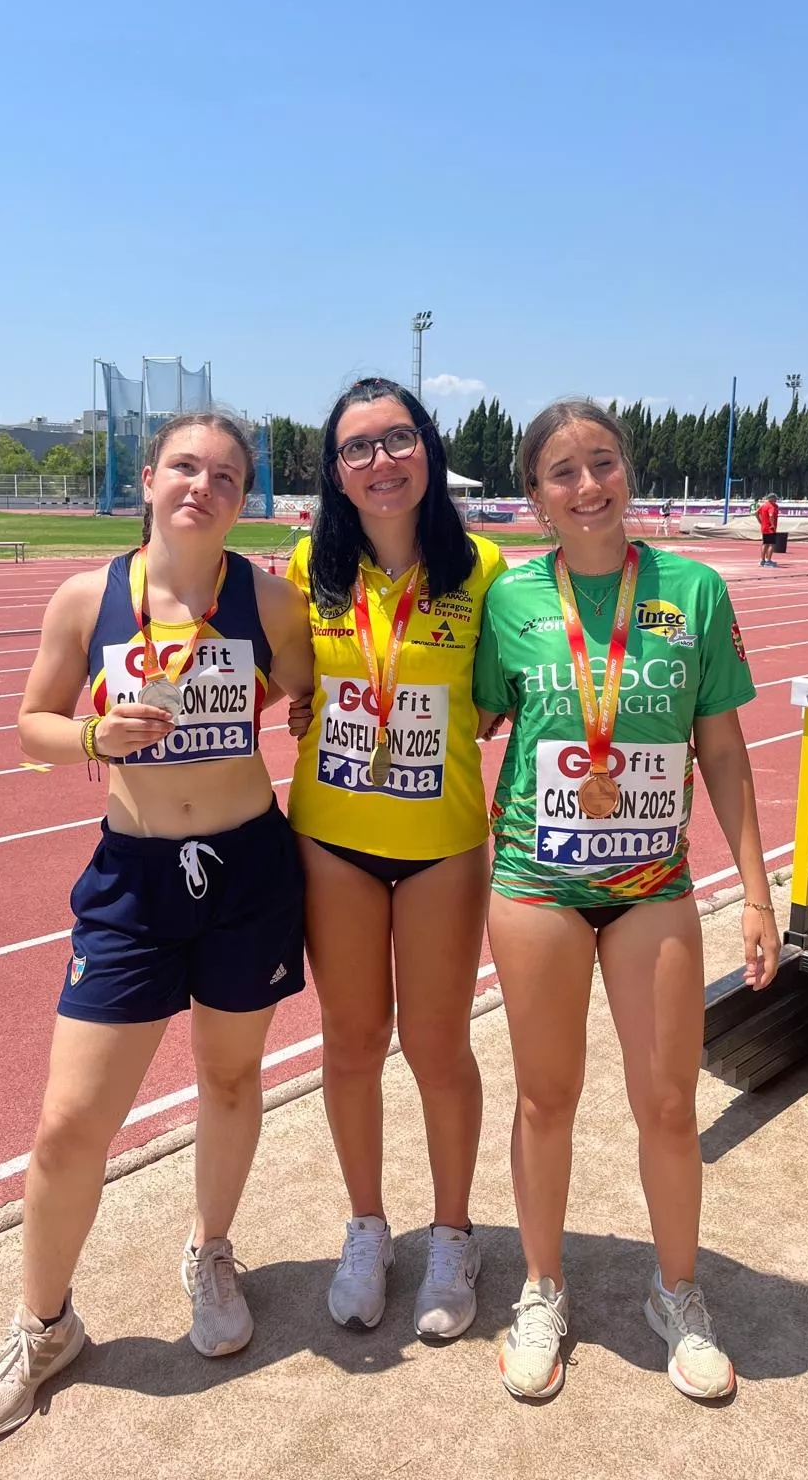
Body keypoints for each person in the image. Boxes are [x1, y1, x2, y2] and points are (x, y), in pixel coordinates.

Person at [0, 412, 315, 1440]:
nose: (202, 486)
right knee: (71, 1123)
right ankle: (43, 1324)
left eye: (226, 474)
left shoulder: (268, 598)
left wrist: (295, 708)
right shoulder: (89, 598)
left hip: (248, 869)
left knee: (233, 1080)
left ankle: (211, 1250)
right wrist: (87, 733)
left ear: (243, 496)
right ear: (150, 478)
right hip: (133, 884)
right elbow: (29, 729)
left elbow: (310, 687)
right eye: (185, 468)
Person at [474, 397, 780, 1403]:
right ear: (535, 497)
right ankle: (542, 1288)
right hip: (536, 882)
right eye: (563, 472)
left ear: (628, 472)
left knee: (666, 1101)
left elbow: (725, 752)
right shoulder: (513, 602)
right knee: (546, 1096)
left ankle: (677, 1292)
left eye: (602, 462)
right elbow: (466, 710)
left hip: (654, 884)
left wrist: (756, 894)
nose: (588, 484)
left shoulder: (690, 591)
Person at [285, 377, 506, 1342]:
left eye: (397, 440)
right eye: (358, 449)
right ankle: (368, 1228)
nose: (381, 462)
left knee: (437, 1047)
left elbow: (504, 695)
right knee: (351, 1040)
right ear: (335, 473)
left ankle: (453, 1233)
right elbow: (271, 676)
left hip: (442, 847)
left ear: (429, 449)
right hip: (331, 840)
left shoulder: (487, 568)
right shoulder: (303, 570)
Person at [756, 492, 779, 566]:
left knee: (765, 543)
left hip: (764, 527)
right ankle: (768, 560)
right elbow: (771, 515)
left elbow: (756, 513)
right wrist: (772, 525)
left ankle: (762, 560)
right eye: (775, 498)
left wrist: (760, 521)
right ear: (771, 498)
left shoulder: (764, 505)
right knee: (771, 544)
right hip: (770, 528)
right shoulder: (771, 506)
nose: (776, 500)